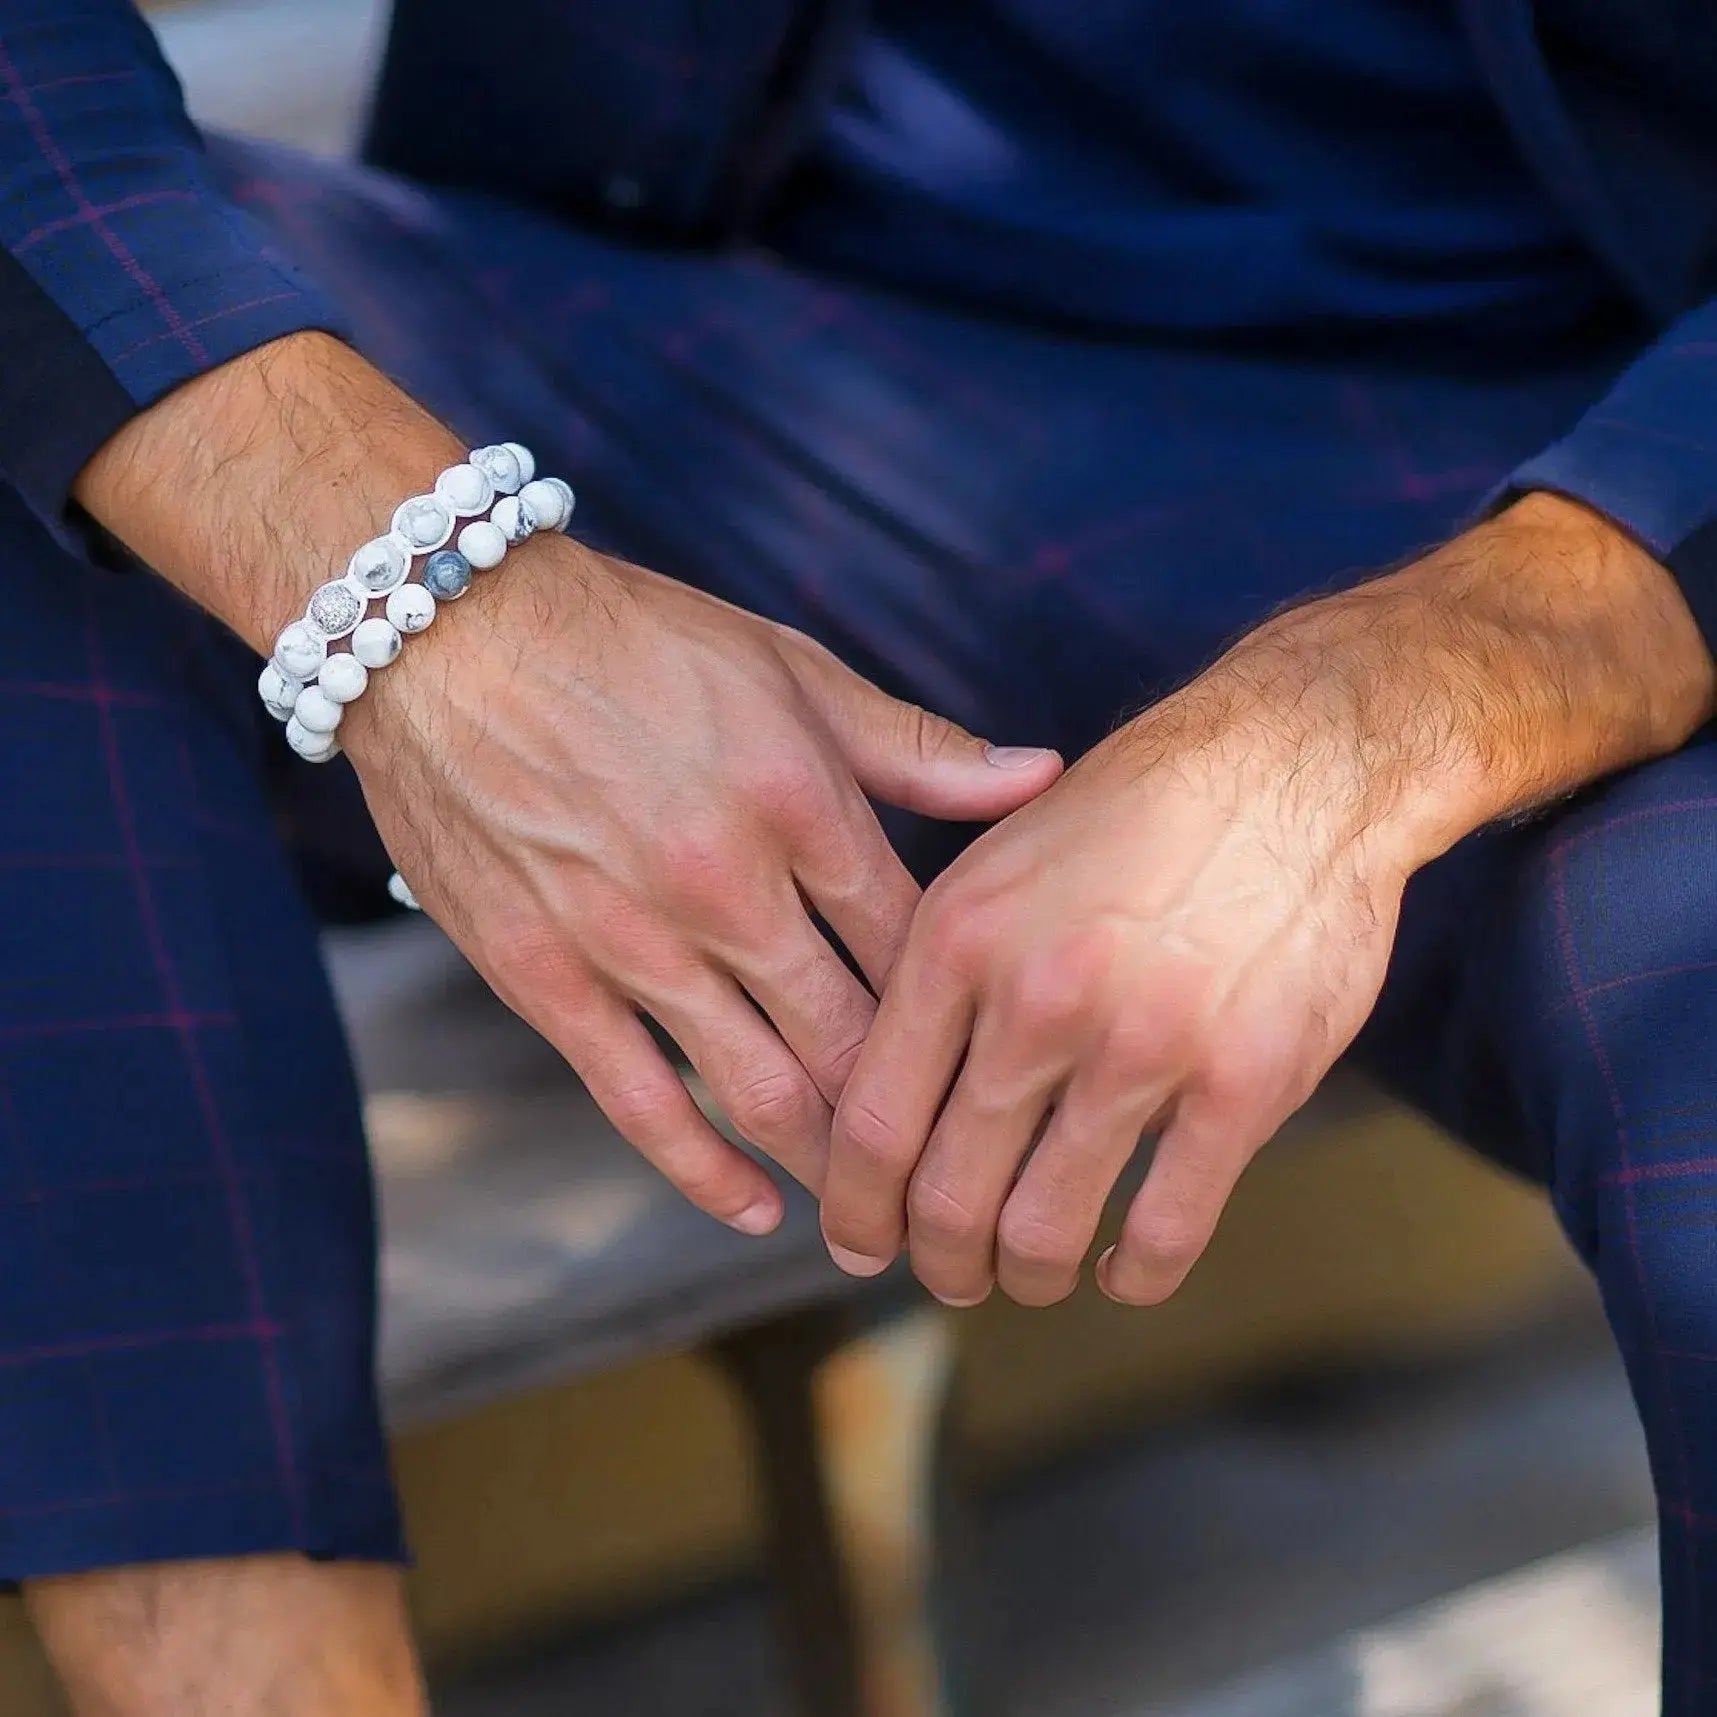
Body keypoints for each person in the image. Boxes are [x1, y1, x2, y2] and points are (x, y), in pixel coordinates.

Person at [3, 0, 1717, 1709]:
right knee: (70, 358)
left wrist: (1373, 716)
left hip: (1600, 431)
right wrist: (427, 612)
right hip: (743, 370)